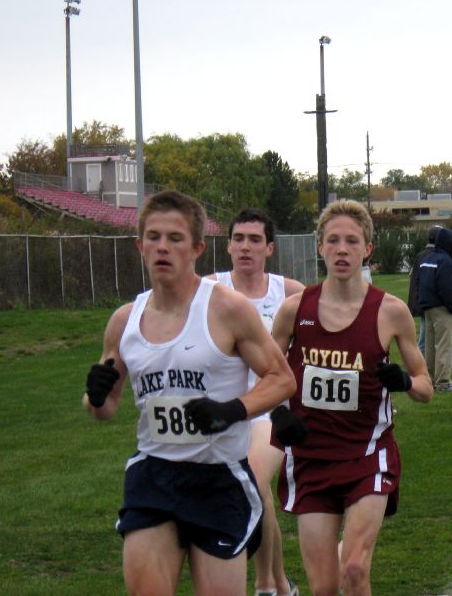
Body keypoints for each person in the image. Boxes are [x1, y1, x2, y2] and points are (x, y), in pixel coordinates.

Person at [82, 190, 296, 596]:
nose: (163, 247)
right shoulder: (124, 320)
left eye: (175, 238)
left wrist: (232, 410)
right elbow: (105, 409)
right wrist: (95, 397)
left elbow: (281, 378)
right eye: (154, 237)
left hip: (218, 480)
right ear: (140, 245)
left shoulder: (227, 309)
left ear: (197, 247)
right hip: (154, 476)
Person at [270, 199, 433, 596]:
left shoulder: (391, 312)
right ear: (320, 247)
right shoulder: (294, 310)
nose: (342, 249)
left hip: (367, 455)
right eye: (333, 241)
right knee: (324, 587)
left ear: (367, 249)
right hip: (310, 458)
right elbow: (267, 376)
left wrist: (404, 382)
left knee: (356, 569)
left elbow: (425, 385)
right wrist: (277, 413)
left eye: (352, 241)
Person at [207, 208, 304, 596]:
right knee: (251, 491)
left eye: (254, 240)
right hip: (222, 412)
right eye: (239, 239)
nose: (246, 247)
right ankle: (280, 584)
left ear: (270, 248)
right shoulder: (209, 290)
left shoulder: (291, 293)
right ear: (228, 245)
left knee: (254, 480)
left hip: (270, 413)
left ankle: (265, 585)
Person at [418, 226, 452, 392]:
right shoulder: (445, 260)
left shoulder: (427, 258)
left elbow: (419, 283)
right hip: (442, 307)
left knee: (430, 346)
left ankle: (429, 378)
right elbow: (446, 287)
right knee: (444, 345)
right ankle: (443, 382)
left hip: (427, 307)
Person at [407, 226, 442, 355]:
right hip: (427, 301)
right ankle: (419, 363)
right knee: (425, 337)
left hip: (421, 299)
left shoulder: (421, 255)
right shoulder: (433, 255)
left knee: (426, 334)